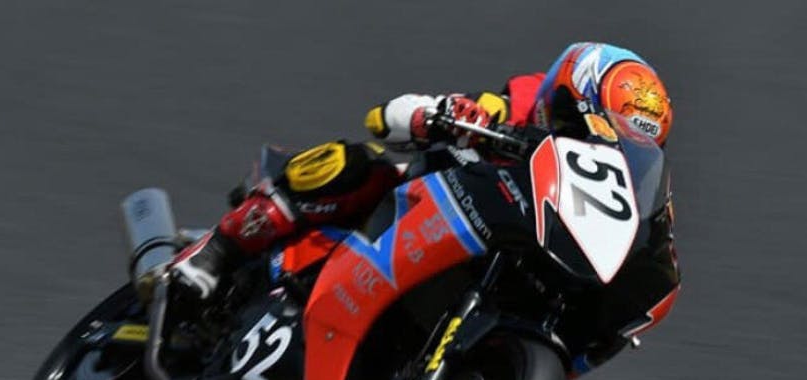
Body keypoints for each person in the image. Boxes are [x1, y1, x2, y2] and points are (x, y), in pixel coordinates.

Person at [168, 42, 674, 300]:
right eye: (581, 125)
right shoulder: (511, 109)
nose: (592, 146)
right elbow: (384, 117)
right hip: (407, 218)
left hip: (489, 257)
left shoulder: (604, 197)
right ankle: (218, 250)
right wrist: (441, 114)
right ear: (557, 98)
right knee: (366, 164)